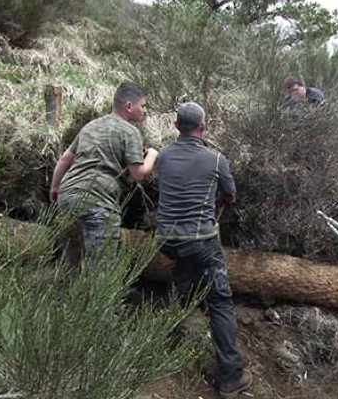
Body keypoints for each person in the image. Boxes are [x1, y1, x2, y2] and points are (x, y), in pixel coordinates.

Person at [156, 102, 252, 399]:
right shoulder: (216, 159)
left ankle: (160, 344)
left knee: (184, 274)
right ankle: (232, 378)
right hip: (200, 241)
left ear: (175, 125)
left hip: (166, 240)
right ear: (203, 126)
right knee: (220, 301)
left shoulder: (163, 155)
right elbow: (231, 195)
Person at [49, 82, 158, 264]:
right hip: (98, 200)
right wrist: (152, 155)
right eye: (143, 105)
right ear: (129, 106)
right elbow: (138, 174)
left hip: (67, 196)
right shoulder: (130, 131)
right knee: (101, 267)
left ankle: (66, 291)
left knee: (69, 263)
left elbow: (64, 160)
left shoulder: (91, 126)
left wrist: (55, 187)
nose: (145, 111)